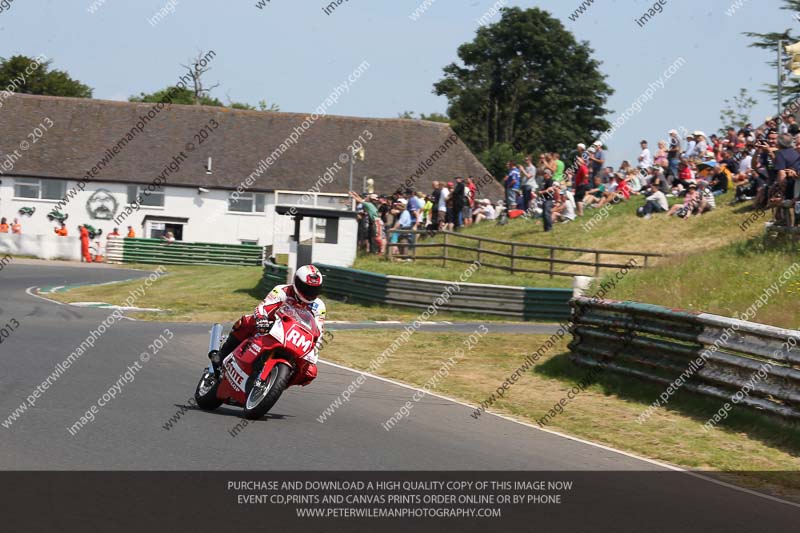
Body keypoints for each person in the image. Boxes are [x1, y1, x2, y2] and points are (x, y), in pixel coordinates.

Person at [211, 265, 325, 386]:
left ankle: (277, 384)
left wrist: (314, 352)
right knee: (247, 321)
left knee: (310, 372)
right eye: (306, 288)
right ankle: (223, 354)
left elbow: (318, 331)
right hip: (271, 327)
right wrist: (261, 319)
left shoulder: (319, 306)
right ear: (296, 282)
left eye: (314, 290)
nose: (309, 293)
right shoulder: (282, 290)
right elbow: (263, 307)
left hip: (296, 338)